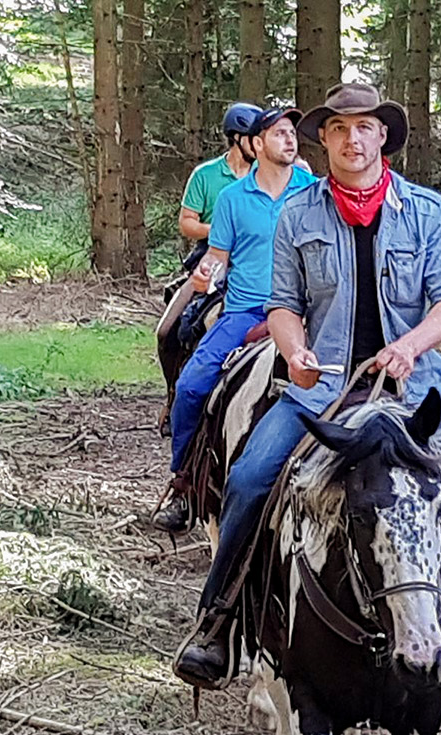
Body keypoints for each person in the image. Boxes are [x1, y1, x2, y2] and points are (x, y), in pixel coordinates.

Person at [171, 83, 441, 705]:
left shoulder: (427, 211)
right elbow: (282, 305)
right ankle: (218, 625)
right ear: (323, 140)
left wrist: (410, 346)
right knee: (249, 479)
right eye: (339, 130)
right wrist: (295, 352)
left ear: (383, 136)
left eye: (364, 128)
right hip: (321, 394)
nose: (352, 140)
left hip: (416, 394)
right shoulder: (298, 215)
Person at [153, 105, 317, 534]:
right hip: (245, 311)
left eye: (291, 133)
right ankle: (185, 484)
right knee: (190, 387)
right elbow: (217, 256)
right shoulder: (230, 199)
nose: (289, 140)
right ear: (256, 144)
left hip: (307, 312)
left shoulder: (314, 191)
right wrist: (207, 274)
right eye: (279, 134)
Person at [178, 103, 264, 260]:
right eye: (255, 138)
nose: (261, 144)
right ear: (237, 138)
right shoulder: (204, 175)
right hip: (213, 252)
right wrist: (219, 231)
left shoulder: (266, 172)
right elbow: (186, 223)